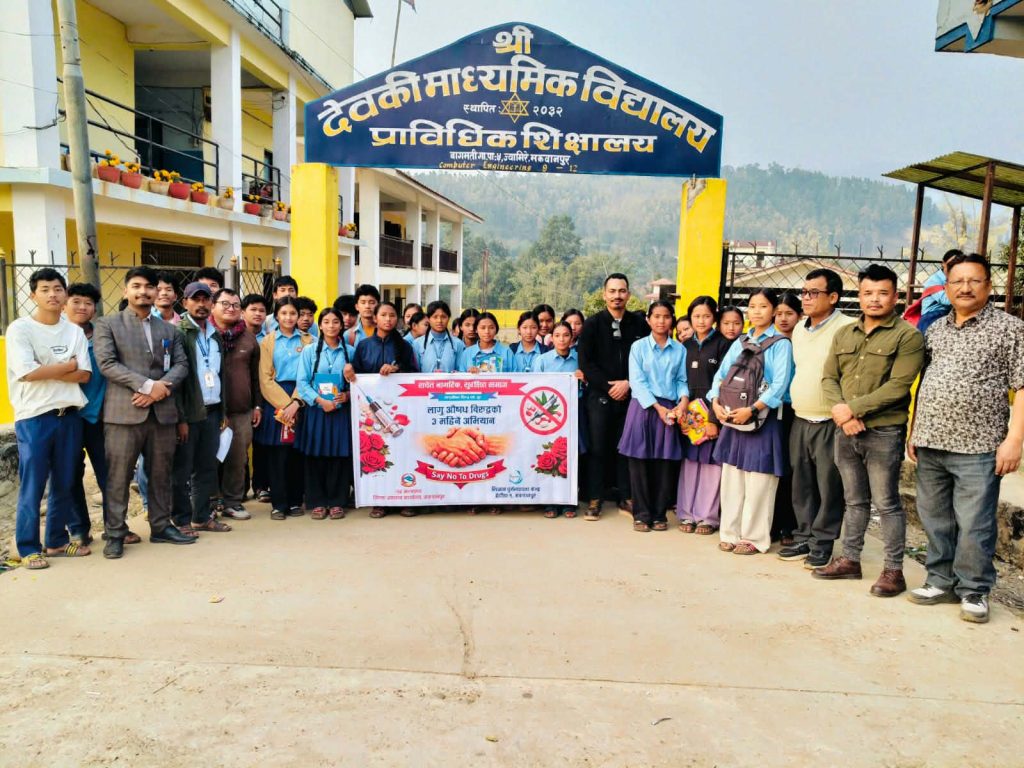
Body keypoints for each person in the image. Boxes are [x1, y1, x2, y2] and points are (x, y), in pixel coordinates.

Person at [908, 252, 1024, 623]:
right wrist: (914, 429)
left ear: (989, 286)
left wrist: (1015, 440)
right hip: (931, 440)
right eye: (957, 281)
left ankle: (974, 589)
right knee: (935, 518)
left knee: (975, 523)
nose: (965, 287)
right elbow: (925, 381)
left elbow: (1022, 385)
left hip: (980, 445)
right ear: (946, 287)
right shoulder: (936, 329)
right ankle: (940, 580)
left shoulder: (1009, 328)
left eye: (974, 280)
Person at [814, 264, 924, 597]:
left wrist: (853, 409)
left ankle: (893, 571)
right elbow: (829, 378)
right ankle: (850, 560)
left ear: (895, 296)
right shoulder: (844, 333)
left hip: (884, 432)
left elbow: (899, 386)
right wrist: (841, 413)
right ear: (859, 295)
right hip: (845, 430)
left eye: (882, 293)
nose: (874, 299)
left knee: (887, 502)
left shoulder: (908, 336)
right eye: (868, 293)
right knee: (854, 500)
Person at [93, 266, 192, 559]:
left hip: (162, 415)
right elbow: (107, 364)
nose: (144, 291)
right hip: (124, 414)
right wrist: (149, 386)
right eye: (136, 286)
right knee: (119, 476)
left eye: (150, 287)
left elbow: (181, 365)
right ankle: (115, 533)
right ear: (126, 291)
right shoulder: (107, 325)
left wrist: (161, 389)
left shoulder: (169, 329)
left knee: (161, 474)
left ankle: (161, 527)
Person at [6, 269, 91, 569]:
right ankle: (29, 547)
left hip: (69, 416)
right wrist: (66, 366)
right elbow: (27, 372)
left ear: (65, 294)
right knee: (33, 485)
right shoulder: (20, 329)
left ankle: (55, 541)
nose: (52, 294)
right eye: (45, 289)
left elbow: (84, 374)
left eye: (57, 289)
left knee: (65, 482)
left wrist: (47, 368)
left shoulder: (74, 331)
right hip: (35, 418)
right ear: (33, 295)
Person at [778, 269, 855, 569]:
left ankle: (822, 543)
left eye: (814, 293)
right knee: (802, 483)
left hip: (830, 421)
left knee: (829, 486)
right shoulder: (799, 329)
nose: (806, 298)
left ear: (833, 297)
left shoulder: (846, 327)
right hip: (800, 418)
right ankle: (803, 535)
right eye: (804, 292)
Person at [709, 289, 794, 555]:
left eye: (763, 306)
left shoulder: (781, 344)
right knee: (732, 478)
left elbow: (780, 384)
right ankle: (729, 533)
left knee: (759, 482)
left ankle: (754, 538)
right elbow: (721, 375)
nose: (757, 311)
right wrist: (715, 402)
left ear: (774, 311)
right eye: (753, 306)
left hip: (764, 420)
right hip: (733, 418)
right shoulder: (741, 341)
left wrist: (753, 409)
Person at [577, 273, 649, 520]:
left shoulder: (639, 325)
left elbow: (645, 360)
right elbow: (586, 362)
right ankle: (595, 498)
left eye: (622, 291)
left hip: (631, 395)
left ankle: (626, 496)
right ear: (604, 294)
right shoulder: (592, 324)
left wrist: (628, 383)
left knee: (625, 447)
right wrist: (609, 387)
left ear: (628, 294)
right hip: (599, 397)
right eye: (612, 291)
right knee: (597, 448)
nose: (617, 296)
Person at [617, 301, 688, 533]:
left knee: (664, 463)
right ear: (648, 319)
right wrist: (657, 407)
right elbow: (637, 381)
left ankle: (659, 514)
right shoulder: (638, 347)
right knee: (639, 462)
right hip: (643, 407)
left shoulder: (680, 350)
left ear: (672, 320)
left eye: (666, 316)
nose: (661, 321)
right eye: (656, 316)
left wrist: (683, 401)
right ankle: (641, 514)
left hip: (669, 408)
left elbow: (681, 380)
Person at [171, 282, 231, 535]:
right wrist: (180, 418)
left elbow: (220, 374)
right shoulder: (179, 333)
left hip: (213, 410)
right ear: (185, 303)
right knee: (182, 469)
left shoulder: (215, 334)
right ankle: (181, 520)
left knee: (207, 467)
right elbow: (176, 381)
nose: (201, 304)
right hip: (189, 413)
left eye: (206, 299)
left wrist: (223, 411)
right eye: (196, 299)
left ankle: (201, 517)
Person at [352, 302, 418, 519]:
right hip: (369, 414)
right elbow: (357, 378)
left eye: (392, 315)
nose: (388, 319)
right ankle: (379, 501)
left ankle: (405, 499)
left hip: (398, 410)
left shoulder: (405, 346)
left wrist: (397, 369)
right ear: (375, 318)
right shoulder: (363, 346)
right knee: (376, 454)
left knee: (402, 453)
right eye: (383, 315)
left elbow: (415, 374)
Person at [675, 296, 733, 536]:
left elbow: (724, 384)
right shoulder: (684, 346)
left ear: (714, 317)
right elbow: (679, 379)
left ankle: (707, 517)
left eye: (706, 316)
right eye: (696, 316)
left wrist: (712, 419)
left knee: (711, 466)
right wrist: (682, 409)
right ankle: (686, 513)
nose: (701, 321)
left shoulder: (723, 345)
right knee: (690, 464)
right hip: (689, 414)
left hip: (712, 413)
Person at [57, 283, 108, 548]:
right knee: (70, 474)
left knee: (108, 473)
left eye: (88, 303)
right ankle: (78, 529)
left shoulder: (103, 336)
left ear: (94, 309)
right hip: (66, 416)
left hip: (100, 415)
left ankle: (114, 526)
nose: (82, 307)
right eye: (76, 301)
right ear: (65, 304)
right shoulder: (56, 336)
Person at [295, 308, 356, 520]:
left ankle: (338, 501)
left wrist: (347, 395)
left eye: (335, 322)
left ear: (342, 325)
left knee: (339, 456)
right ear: (320, 325)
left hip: (341, 412)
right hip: (317, 411)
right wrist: (321, 401)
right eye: (327, 322)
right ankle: (318, 501)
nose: (331, 326)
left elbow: (359, 383)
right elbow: (302, 383)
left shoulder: (350, 352)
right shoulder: (310, 351)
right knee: (315, 455)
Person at [257, 297, 314, 520]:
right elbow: (265, 378)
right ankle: (278, 504)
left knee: (297, 454)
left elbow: (309, 374)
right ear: (276, 316)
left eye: (293, 313)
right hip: (276, 400)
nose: (289, 318)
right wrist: (286, 406)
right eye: (284, 313)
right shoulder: (268, 341)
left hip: (302, 398)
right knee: (277, 455)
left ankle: (295, 501)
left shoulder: (310, 340)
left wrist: (297, 402)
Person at [211, 288, 261, 520]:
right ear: (213, 306)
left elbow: (255, 376)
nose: (231, 309)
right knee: (209, 458)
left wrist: (257, 406)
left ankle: (233, 501)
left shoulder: (248, 338)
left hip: (241, 410)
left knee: (237, 459)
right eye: (225, 304)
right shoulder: (205, 335)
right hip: (209, 410)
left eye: (235, 305)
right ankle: (210, 502)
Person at [536, 321, 586, 519]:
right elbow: (534, 388)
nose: (562, 339)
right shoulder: (542, 360)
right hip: (549, 416)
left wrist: (584, 379)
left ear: (572, 337)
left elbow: (588, 386)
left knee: (571, 456)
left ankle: (569, 501)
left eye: (566, 335)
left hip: (573, 412)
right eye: (557, 335)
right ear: (552, 338)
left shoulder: (579, 359)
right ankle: (550, 500)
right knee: (550, 454)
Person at [770, 291, 803, 545]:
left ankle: (788, 525)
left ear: (799, 316)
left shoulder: (804, 342)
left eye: (789, 313)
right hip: (769, 409)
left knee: (791, 469)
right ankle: (769, 524)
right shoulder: (768, 342)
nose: (783, 319)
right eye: (779, 313)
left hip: (795, 410)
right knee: (772, 467)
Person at [242, 294, 270, 501]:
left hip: (265, 396)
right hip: (242, 396)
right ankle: (240, 489)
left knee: (261, 443)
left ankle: (260, 485)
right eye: (253, 309)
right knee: (239, 445)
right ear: (243, 312)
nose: (258, 314)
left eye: (262, 310)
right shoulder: (234, 336)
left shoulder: (269, 339)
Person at [916, 248, 963, 333]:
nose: (953, 267)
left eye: (957, 265)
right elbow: (945, 300)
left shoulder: (957, 279)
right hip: (933, 315)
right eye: (951, 264)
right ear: (943, 263)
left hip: (950, 314)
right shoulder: (934, 280)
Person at [413, 300, 465, 373]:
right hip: (426, 381)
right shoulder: (417, 343)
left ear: (448, 318)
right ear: (428, 319)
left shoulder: (458, 344)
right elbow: (415, 373)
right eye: (435, 317)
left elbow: (461, 371)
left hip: (449, 381)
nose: (439, 320)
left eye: (443, 317)